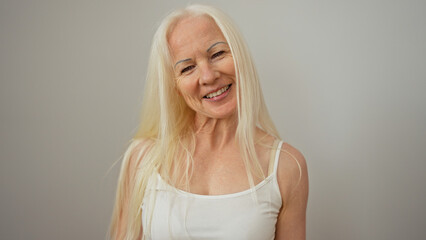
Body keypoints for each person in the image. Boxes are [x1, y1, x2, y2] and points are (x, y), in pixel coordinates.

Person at [110, 4, 308, 240]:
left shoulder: (286, 167)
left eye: (217, 54)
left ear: (240, 56)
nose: (208, 76)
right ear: (174, 86)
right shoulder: (143, 158)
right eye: (187, 68)